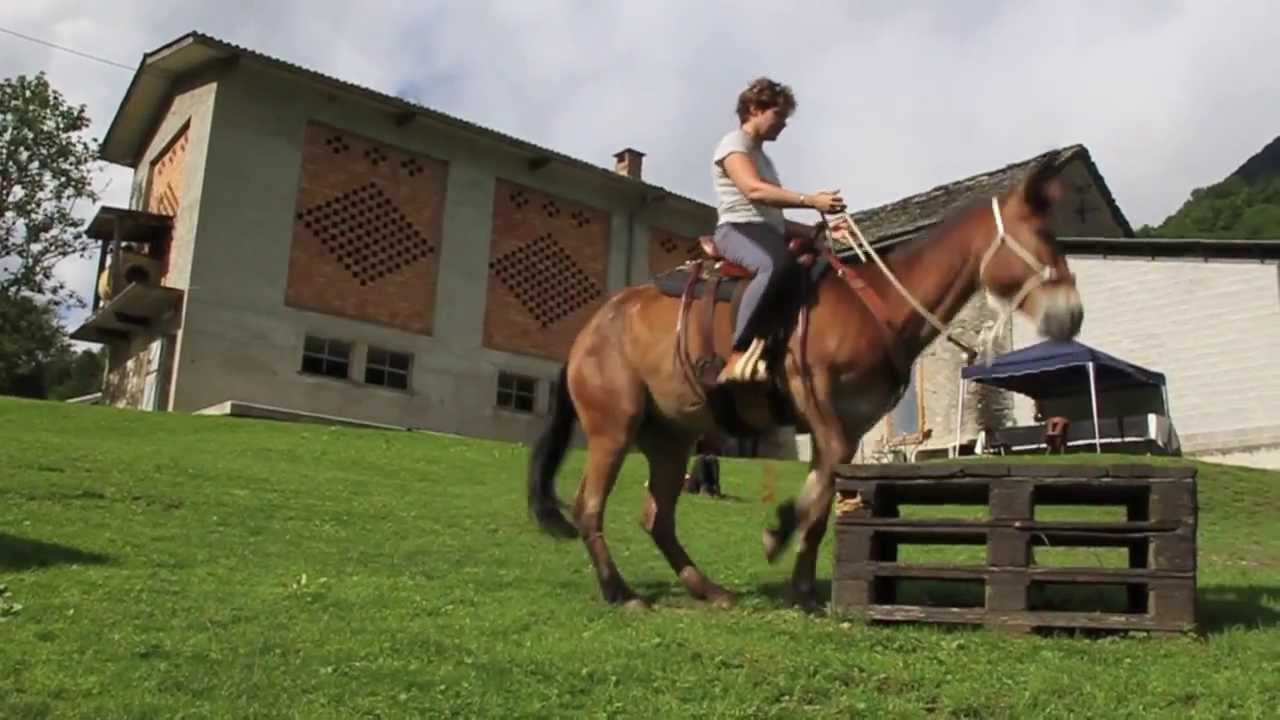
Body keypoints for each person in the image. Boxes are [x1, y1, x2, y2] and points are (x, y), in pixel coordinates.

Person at [710, 77, 849, 384]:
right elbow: (753, 192)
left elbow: (774, 218)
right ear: (754, 109)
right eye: (779, 115)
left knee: (812, 269)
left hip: (765, 229)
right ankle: (737, 353)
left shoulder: (763, 158)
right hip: (737, 229)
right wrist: (811, 201)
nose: (784, 124)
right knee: (775, 265)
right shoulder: (735, 144)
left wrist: (821, 233)